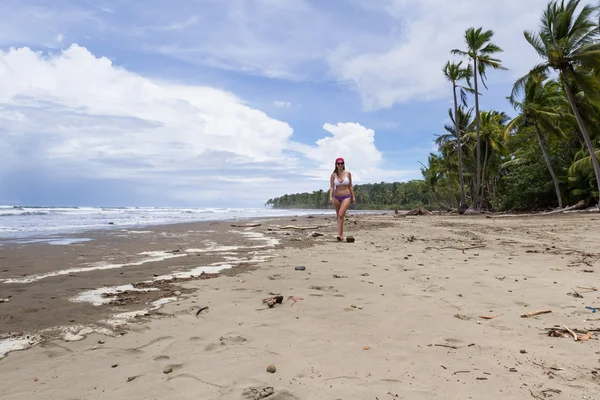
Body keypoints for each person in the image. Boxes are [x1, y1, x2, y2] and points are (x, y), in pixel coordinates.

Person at [329, 157, 356, 241]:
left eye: (341, 163)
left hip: (346, 196)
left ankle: (339, 234)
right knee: (339, 216)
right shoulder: (333, 175)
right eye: (338, 163)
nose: (340, 165)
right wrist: (330, 196)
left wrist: (353, 196)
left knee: (341, 214)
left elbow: (350, 185)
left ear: (344, 164)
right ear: (336, 165)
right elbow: (332, 187)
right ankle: (341, 235)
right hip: (336, 197)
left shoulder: (348, 173)